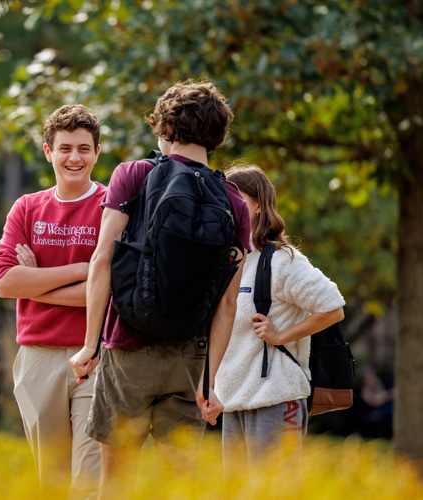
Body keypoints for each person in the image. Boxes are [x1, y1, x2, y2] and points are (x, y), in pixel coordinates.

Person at [68, 80, 251, 496]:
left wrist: (90, 345)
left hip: (128, 346)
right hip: (189, 354)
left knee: (117, 482)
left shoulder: (134, 174)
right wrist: (209, 380)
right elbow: (227, 302)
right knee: (178, 484)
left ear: (166, 128)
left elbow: (102, 261)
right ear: (217, 136)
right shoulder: (235, 200)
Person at [0, 105, 106, 499]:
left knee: (90, 478)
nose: (75, 158)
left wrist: (36, 284)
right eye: (65, 148)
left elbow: (113, 292)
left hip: (97, 355)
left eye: (84, 149)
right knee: (51, 482)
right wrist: (84, 270)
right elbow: (6, 283)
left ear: (97, 152)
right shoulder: (27, 208)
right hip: (38, 356)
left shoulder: (113, 207)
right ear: (47, 151)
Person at [215, 164, 345, 474]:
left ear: (258, 204)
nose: (228, 206)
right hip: (233, 403)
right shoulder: (229, 260)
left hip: (277, 399)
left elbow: (333, 307)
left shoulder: (282, 260)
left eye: (236, 198)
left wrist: (281, 336)